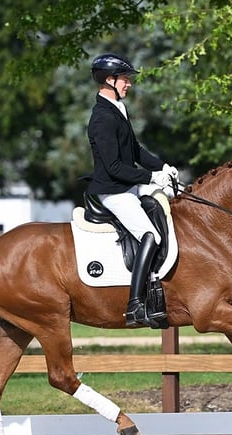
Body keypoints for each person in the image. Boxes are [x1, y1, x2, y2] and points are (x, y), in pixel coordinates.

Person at [85, 53, 178, 328]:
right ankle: (136, 304)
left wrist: (163, 167)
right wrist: (152, 177)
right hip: (113, 191)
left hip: (128, 186)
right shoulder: (102, 118)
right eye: (125, 79)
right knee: (149, 234)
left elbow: (135, 151)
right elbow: (114, 167)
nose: (129, 84)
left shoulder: (118, 109)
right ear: (109, 80)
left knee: (170, 202)